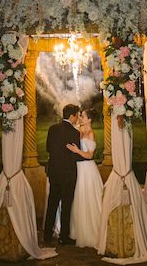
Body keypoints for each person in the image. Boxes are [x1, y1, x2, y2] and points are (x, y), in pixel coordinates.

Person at [44, 104, 83, 245]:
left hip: (54, 172)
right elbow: (75, 157)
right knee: (66, 205)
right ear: (72, 116)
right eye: (77, 115)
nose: (77, 118)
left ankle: (47, 235)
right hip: (68, 174)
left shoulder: (52, 129)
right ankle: (63, 237)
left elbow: (48, 148)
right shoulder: (74, 133)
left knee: (52, 203)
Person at [65, 109, 103, 248]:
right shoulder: (79, 130)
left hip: (88, 169)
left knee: (89, 198)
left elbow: (90, 155)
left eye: (83, 116)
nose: (81, 117)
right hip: (78, 169)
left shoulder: (91, 133)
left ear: (90, 120)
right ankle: (79, 230)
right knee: (79, 198)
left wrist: (77, 151)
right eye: (80, 115)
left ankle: (92, 231)